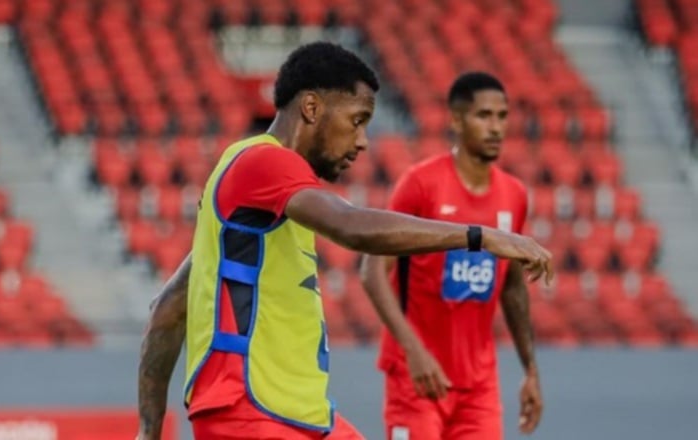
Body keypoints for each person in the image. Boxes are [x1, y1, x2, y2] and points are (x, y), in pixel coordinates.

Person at [136, 45, 553, 440]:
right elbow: (350, 225)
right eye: (357, 120)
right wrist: (479, 235)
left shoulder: (261, 190)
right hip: (250, 414)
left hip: (302, 414)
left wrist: (149, 432)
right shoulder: (263, 162)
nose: (363, 142)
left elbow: (169, 309)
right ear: (312, 108)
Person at [361, 71, 543, 440]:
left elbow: (511, 289)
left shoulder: (514, 195)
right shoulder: (421, 184)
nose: (496, 127)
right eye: (484, 116)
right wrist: (413, 350)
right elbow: (372, 271)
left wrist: (530, 370)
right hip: (417, 378)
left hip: (478, 387)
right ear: (456, 120)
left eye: (502, 116)